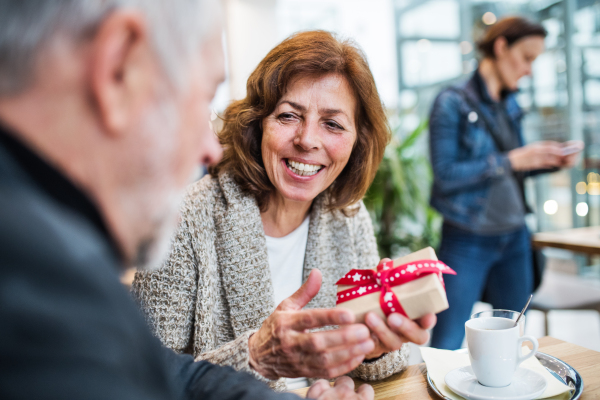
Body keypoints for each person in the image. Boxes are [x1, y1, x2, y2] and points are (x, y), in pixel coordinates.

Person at [0, 1, 374, 399]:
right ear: (117, 69)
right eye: (201, 98)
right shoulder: (42, 282)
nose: (211, 149)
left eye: (333, 124)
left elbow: (169, 373)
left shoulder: (54, 254)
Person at [133, 30, 436, 391]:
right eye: (289, 116)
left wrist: (372, 350)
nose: (307, 139)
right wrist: (255, 355)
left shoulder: (350, 218)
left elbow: (364, 367)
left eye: (333, 124)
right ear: (258, 122)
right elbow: (139, 376)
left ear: (357, 143)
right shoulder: (184, 217)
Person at [428, 16, 581, 350]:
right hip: (467, 239)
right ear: (500, 47)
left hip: (514, 238)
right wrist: (513, 159)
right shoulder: (451, 101)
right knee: (447, 342)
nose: (529, 70)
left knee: (510, 340)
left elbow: (513, 171)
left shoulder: (511, 104)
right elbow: (446, 175)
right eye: (527, 58)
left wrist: (549, 162)